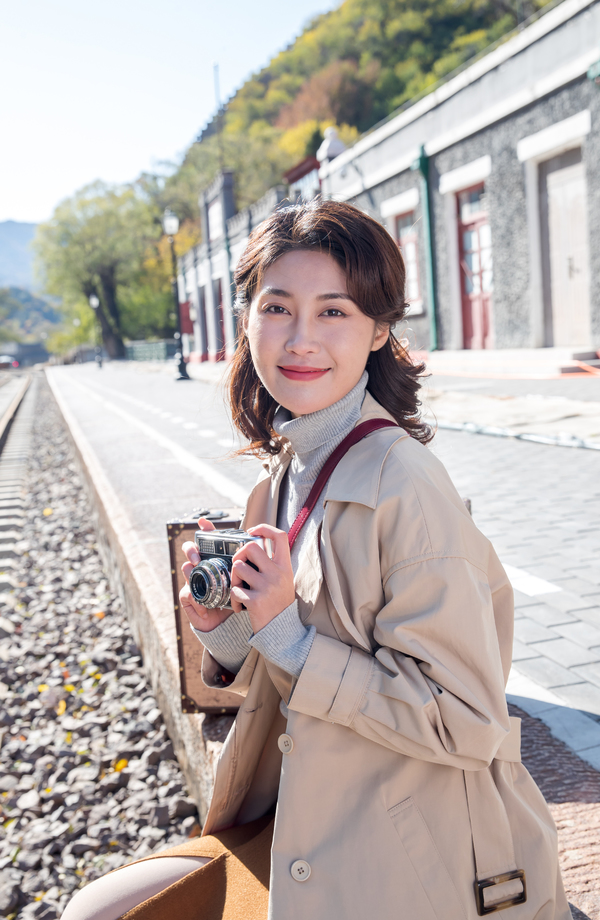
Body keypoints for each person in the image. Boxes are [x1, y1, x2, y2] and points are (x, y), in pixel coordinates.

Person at [63, 199, 570, 920]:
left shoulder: (407, 489)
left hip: (412, 855)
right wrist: (227, 632)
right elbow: (283, 675)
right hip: (305, 815)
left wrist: (289, 638)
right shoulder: (279, 479)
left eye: (333, 312)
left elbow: (468, 723)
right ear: (247, 321)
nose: (300, 338)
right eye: (277, 308)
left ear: (378, 330)